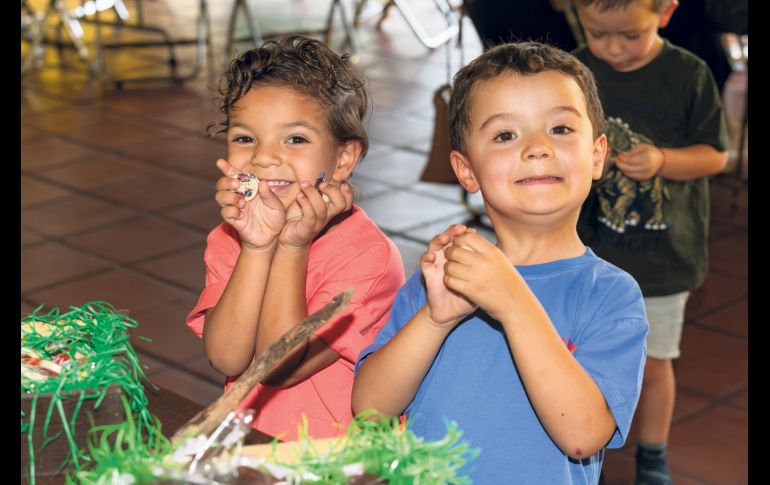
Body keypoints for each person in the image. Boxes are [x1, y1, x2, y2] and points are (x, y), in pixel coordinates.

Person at [352, 41, 648, 484]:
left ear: (597, 155)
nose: (537, 148)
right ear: (466, 170)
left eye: (561, 129)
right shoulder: (441, 279)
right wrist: (435, 319)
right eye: (506, 135)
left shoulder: (610, 295)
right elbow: (370, 409)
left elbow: (584, 434)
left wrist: (513, 301)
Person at [185, 34, 405, 441]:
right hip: (249, 443)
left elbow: (277, 366)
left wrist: (291, 245)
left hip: (330, 459)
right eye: (245, 138)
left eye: (296, 139)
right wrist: (256, 245)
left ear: (343, 159)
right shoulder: (230, 238)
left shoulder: (369, 258)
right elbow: (227, 356)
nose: (265, 157)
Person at [572, 1, 730, 483]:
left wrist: (663, 160)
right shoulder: (575, 71)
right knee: (574, 353)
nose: (612, 49)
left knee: (656, 362)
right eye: (598, 34)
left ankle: (653, 454)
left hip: (663, 259)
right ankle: (575, 439)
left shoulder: (690, 74)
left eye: (630, 36)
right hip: (588, 254)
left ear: (665, 14)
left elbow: (715, 157)